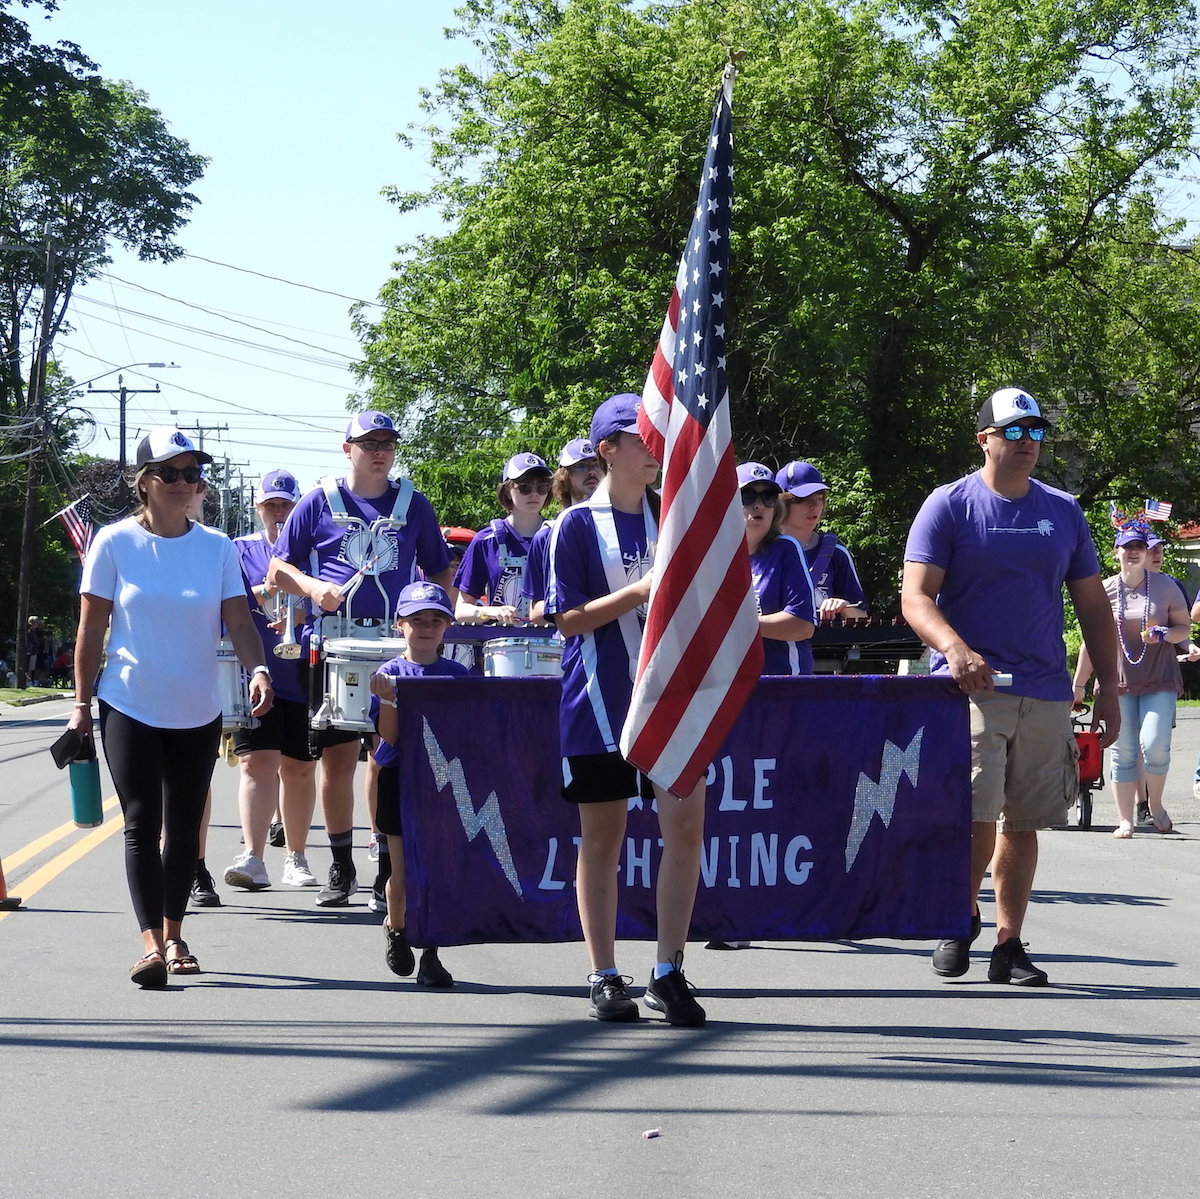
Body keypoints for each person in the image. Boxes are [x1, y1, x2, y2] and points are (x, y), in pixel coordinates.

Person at [902, 387, 1119, 987]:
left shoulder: (1064, 511)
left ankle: (1009, 942)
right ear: (985, 439)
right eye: (1015, 432)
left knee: (1023, 821)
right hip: (975, 688)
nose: (1028, 443)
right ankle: (958, 918)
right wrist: (954, 649)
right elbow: (916, 597)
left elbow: (1094, 606)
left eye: (1037, 433)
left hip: (1047, 689)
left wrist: (1107, 687)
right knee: (975, 809)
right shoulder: (949, 506)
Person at [65, 428, 273, 986]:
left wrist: (258, 668)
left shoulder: (216, 547)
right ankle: (151, 944)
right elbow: (92, 630)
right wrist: (81, 704)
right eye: (172, 474)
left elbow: (239, 621)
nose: (186, 484)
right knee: (141, 822)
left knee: (183, 828)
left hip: (197, 706)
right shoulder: (112, 543)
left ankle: (176, 930)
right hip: (128, 701)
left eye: (193, 474)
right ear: (145, 482)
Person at [546, 392, 707, 1026]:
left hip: (672, 699)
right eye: (640, 438)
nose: (653, 449)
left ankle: (668, 969)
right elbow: (566, 619)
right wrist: (642, 590)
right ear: (607, 450)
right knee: (602, 841)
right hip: (598, 701)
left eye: (656, 437)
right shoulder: (576, 527)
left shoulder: (676, 518)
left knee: (685, 830)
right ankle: (605, 972)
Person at [268, 411, 455, 907]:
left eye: (387, 443)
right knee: (337, 758)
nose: (379, 451)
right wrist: (312, 587)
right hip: (334, 644)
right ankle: (341, 864)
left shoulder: (413, 505)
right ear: (346, 447)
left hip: (398, 648)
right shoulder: (318, 501)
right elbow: (278, 568)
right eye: (368, 442)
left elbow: (440, 572)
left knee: (394, 756)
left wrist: (435, 627)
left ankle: (388, 870)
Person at [223, 470, 320, 891]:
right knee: (255, 763)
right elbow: (227, 606)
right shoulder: (239, 550)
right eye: (271, 505)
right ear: (259, 508)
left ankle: (295, 856)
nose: (278, 513)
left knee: (299, 768)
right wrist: (261, 595)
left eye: (285, 505)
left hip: (303, 673)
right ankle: (253, 856)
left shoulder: (313, 549)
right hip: (256, 671)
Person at [368, 581, 467, 987]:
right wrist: (390, 699)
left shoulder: (458, 674)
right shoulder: (388, 673)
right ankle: (397, 929)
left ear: (447, 627)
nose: (426, 628)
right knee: (404, 869)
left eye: (435, 621)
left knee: (439, 870)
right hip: (399, 777)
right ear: (400, 625)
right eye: (417, 620)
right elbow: (388, 738)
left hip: (443, 781)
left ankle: (431, 950)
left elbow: (465, 734)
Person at [1072, 524, 1188, 837]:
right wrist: (1079, 685)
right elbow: (1089, 641)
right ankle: (1126, 820)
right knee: (1123, 750)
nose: (1135, 551)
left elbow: (1184, 629)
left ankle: (1156, 804)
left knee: (1155, 745)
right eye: (1128, 546)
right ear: (1116, 552)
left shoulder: (1166, 587)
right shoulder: (1104, 589)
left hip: (1159, 679)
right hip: (1117, 680)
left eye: (1140, 546)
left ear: (1147, 552)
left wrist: (1165, 634)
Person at [453, 452, 551, 625]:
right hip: (502, 646)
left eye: (542, 487)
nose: (534, 494)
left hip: (551, 643)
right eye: (525, 487)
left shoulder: (558, 535)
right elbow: (461, 610)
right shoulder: (485, 540)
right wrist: (490, 612)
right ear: (507, 489)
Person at [775, 461, 868, 619]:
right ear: (781, 503)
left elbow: (862, 618)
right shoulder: (763, 551)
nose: (815, 506)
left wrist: (843, 606)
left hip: (824, 643)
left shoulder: (836, 553)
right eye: (803, 499)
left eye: (819, 498)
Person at [523, 438, 600, 623]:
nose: (591, 471)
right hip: (571, 644)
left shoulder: (622, 523)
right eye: (580, 467)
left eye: (596, 464)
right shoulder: (547, 535)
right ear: (564, 476)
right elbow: (535, 611)